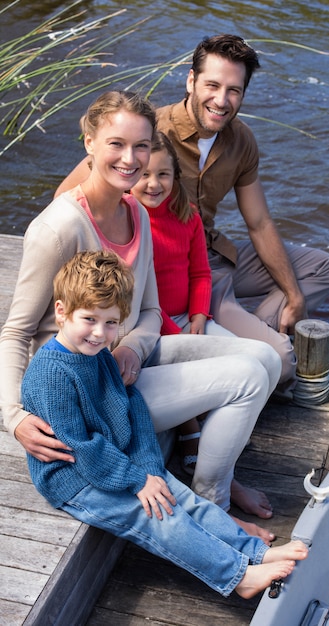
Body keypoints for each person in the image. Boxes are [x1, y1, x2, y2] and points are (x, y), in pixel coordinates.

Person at [0, 90, 282, 542]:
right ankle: (214, 505)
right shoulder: (58, 229)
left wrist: (132, 346)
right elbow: (15, 331)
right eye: (116, 143)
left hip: (129, 364)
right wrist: (13, 417)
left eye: (141, 146)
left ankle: (215, 482)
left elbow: (149, 311)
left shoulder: (136, 212)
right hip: (89, 392)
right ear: (89, 142)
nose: (130, 159)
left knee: (267, 359)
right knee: (248, 376)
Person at [54, 35, 329, 396]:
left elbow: (259, 223)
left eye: (234, 90)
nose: (222, 101)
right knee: (280, 361)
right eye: (213, 85)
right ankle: (248, 339)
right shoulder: (148, 133)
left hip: (208, 260)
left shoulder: (242, 140)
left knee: (321, 267)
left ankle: (252, 325)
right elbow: (66, 196)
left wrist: (294, 296)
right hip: (159, 273)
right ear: (191, 81)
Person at [21, 249, 308, 598]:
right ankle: (238, 576)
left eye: (111, 323)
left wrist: (148, 467)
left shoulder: (98, 357)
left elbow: (133, 408)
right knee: (157, 516)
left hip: (115, 459)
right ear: (62, 311)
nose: (99, 333)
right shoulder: (52, 373)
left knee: (181, 496)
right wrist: (136, 479)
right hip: (75, 479)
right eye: (89, 319)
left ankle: (255, 551)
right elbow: (80, 448)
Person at [131, 130, 235, 475]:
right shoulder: (129, 220)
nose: (153, 184)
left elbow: (200, 274)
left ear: (176, 175)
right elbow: (143, 293)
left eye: (163, 174)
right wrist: (176, 331)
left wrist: (199, 315)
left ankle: (223, 424)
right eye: (144, 174)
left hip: (188, 316)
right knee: (180, 366)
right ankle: (191, 431)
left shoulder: (187, 215)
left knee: (242, 357)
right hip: (151, 321)